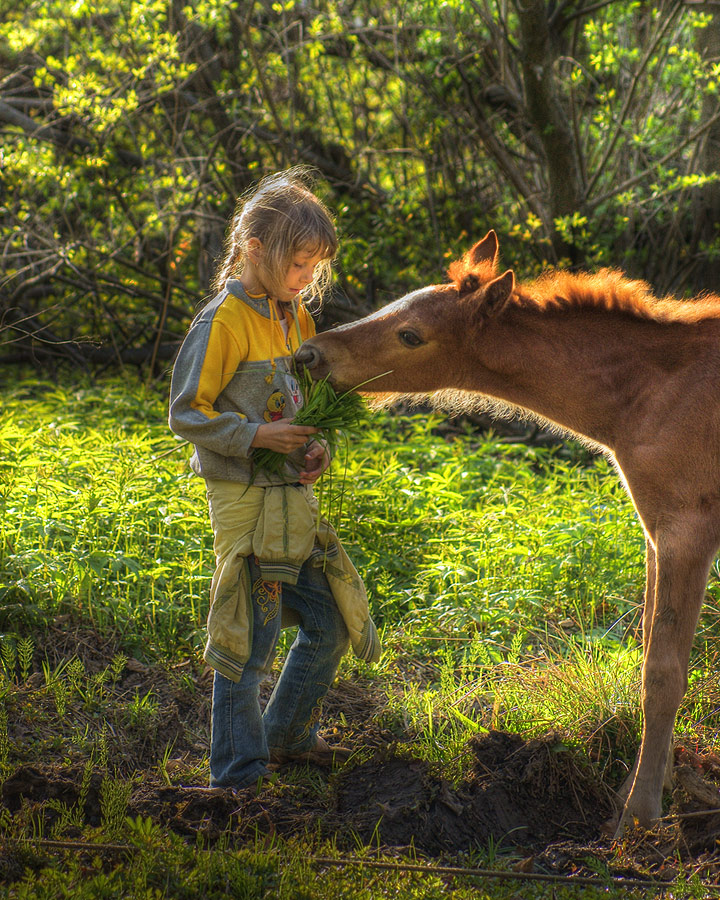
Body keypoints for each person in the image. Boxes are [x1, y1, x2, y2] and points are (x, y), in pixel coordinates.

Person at [169, 167, 380, 793]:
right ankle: (238, 774)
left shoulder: (297, 321)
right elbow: (186, 413)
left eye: (315, 267)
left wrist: (318, 449)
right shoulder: (224, 322)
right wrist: (259, 437)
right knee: (249, 635)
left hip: (293, 502)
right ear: (255, 249)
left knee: (333, 618)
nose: (306, 279)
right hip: (245, 503)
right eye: (299, 263)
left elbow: (310, 412)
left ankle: (286, 732)